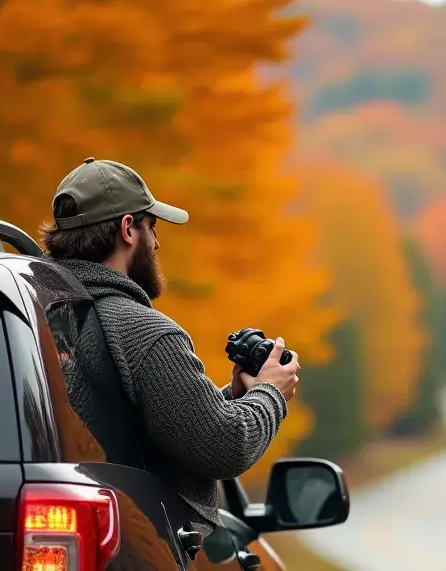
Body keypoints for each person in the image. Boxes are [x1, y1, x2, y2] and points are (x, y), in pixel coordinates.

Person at [39, 157, 299, 522]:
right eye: (152, 227)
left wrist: (233, 399)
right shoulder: (145, 333)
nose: (157, 243)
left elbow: (133, 433)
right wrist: (271, 393)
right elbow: (224, 447)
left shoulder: (30, 314)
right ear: (128, 229)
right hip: (128, 556)